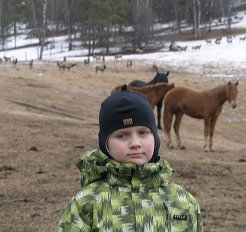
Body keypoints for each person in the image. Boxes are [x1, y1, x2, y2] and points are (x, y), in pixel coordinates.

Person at [56, 85, 203, 232]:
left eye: (143, 133)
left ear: (155, 138)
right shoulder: (86, 203)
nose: (135, 144)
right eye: (122, 135)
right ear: (105, 144)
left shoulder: (183, 202)